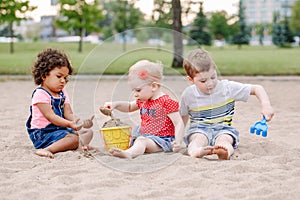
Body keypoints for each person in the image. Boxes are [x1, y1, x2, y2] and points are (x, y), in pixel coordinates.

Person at [180, 48, 274, 160]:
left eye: (213, 77)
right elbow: (182, 119)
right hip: (199, 129)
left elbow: (257, 88)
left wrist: (266, 105)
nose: (210, 83)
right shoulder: (188, 95)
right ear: (191, 80)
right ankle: (196, 151)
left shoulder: (228, 88)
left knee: (225, 139)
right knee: (198, 139)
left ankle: (224, 152)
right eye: (203, 81)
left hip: (223, 128)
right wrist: (176, 139)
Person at [102, 60, 185, 159]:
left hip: (162, 140)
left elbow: (178, 123)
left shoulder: (166, 102)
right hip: (146, 136)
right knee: (135, 138)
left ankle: (129, 154)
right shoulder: (143, 100)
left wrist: (178, 141)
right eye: (134, 91)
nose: (135, 94)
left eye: (138, 90)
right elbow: (129, 107)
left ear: (153, 86)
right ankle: (127, 149)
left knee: (142, 141)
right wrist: (115, 104)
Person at [26, 48, 94, 159]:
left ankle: (82, 146)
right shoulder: (40, 94)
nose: (63, 81)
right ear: (44, 75)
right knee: (73, 139)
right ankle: (46, 149)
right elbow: (51, 117)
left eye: (65, 78)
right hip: (43, 134)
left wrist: (79, 122)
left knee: (88, 132)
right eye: (59, 76)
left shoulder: (62, 93)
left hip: (60, 129)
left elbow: (68, 113)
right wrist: (69, 124)